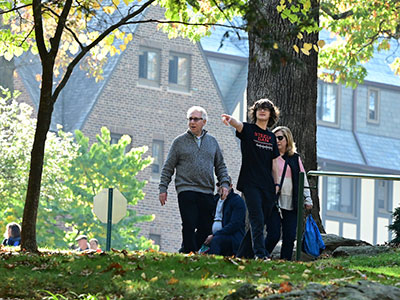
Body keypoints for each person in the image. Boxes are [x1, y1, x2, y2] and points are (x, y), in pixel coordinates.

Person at [159, 106, 230, 253]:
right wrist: (163, 188)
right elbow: (168, 167)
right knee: (189, 223)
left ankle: (187, 250)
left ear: (204, 121)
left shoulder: (212, 142)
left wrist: (224, 183)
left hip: (206, 190)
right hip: (186, 188)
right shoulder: (179, 142)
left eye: (196, 119)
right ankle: (190, 255)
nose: (192, 122)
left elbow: (220, 166)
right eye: (190, 119)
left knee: (206, 227)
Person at [222, 99, 280, 259]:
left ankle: (242, 255)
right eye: (259, 108)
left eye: (266, 109)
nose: (262, 111)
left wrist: (276, 183)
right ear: (254, 112)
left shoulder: (271, 137)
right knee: (256, 218)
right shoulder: (248, 130)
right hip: (250, 183)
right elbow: (238, 124)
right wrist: (229, 119)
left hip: (268, 185)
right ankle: (261, 255)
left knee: (259, 222)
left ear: (270, 114)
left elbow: (274, 163)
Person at [264, 126, 313, 260]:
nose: (277, 141)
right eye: (274, 138)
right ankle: (261, 256)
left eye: (280, 138)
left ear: (287, 139)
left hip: (292, 202)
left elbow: (303, 180)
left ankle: (285, 263)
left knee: (290, 236)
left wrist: (308, 199)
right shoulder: (269, 157)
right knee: (273, 234)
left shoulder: (295, 158)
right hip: (274, 202)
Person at [203, 177, 246, 256]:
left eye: (225, 185)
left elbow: (235, 224)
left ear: (231, 186)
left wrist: (215, 235)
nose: (221, 187)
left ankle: (213, 262)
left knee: (216, 240)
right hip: (213, 234)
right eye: (219, 185)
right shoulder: (214, 200)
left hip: (231, 237)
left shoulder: (237, 201)